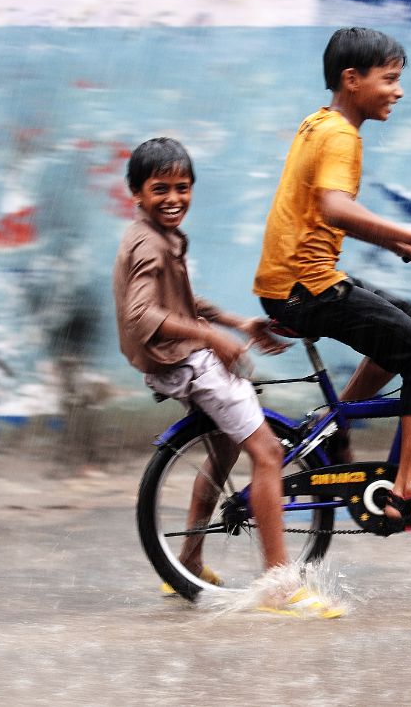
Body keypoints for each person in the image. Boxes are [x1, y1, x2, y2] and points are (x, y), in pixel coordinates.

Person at [254, 27, 411, 530]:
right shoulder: (341, 135)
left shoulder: (319, 124)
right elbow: (336, 207)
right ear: (352, 80)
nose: (398, 90)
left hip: (293, 284)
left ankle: (335, 424)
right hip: (307, 289)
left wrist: (396, 243)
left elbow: (322, 214)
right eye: (390, 79)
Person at [113, 137, 342, 618]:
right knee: (269, 452)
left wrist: (236, 324)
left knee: (224, 449)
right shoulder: (149, 245)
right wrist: (211, 340)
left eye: (182, 187)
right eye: (160, 189)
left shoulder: (161, 236)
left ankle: (189, 560)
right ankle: (279, 584)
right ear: (136, 192)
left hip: (176, 360)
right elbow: (141, 315)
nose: (174, 199)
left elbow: (182, 303)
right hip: (188, 363)